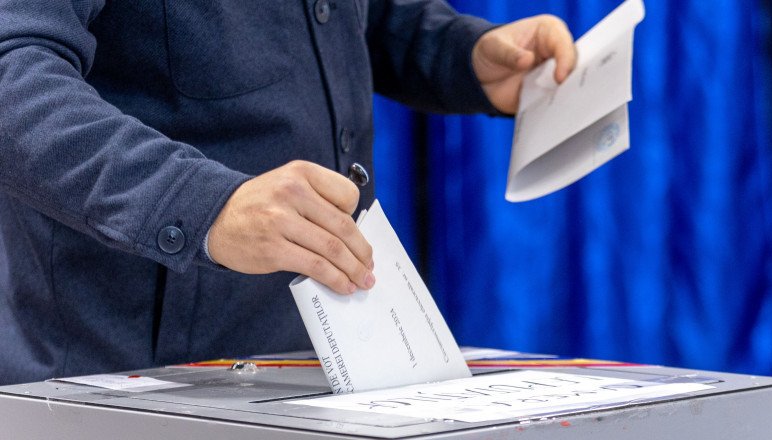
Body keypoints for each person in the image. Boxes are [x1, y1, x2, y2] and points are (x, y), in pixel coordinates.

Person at [0, 0, 575, 385]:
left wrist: (459, 54)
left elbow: (357, 16)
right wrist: (203, 205)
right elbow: (12, 73)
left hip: (318, 356)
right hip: (126, 369)